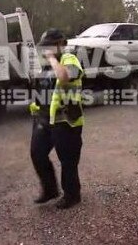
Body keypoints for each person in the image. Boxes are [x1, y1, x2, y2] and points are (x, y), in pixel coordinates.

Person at [30, 29, 84, 209]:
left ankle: (72, 195)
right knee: (37, 154)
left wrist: (52, 58)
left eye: (49, 47)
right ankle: (50, 189)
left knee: (67, 161)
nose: (46, 51)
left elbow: (65, 77)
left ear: (61, 44)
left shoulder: (70, 59)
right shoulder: (46, 65)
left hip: (66, 119)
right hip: (44, 118)